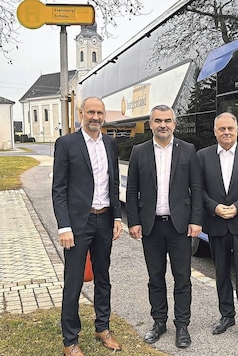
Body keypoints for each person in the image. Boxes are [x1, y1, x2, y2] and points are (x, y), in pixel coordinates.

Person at [126, 104, 203, 349]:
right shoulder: (139, 151)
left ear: (174, 124)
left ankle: (182, 325)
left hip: (179, 226)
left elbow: (197, 188)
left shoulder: (188, 150)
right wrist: (134, 221)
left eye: (167, 120)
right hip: (151, 227)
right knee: (155, 278)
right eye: (158, 120)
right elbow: (131, 189)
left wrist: (196, 220)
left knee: (182, 278)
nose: (163, 125)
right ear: (150, 124)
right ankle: (159, 322)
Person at [52, 96, 124, 356]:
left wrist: (117, 217)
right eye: (91, 112)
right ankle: (70, 340)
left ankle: (102, 327)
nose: (95, 117)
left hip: (104, 219)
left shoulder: (110, 143)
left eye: (100, 113)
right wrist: (64, 227)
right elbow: (58, 189)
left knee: (103, 278)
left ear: (105, 116)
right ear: (81, 113)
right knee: (73, 282)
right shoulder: (66, 144)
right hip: (78, 223)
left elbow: (113, 184)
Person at [197, 112, 238, 347]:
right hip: (216, 224)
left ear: (237, 130)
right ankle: (227, 316)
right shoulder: (203, 156)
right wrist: (214, 207)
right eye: (222, 129)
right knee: (221, 274)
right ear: (215, 132)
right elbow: (198, 188)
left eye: (230, 128)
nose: (226, 132)